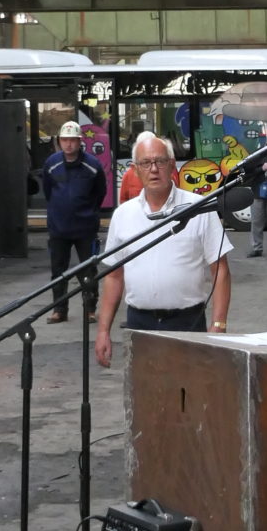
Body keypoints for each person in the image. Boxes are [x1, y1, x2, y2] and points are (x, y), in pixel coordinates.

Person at [95, 134, 231, 367]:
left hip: (187, 322)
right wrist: (103, 330)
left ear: (172, 165)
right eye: (145, 163)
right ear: (135, 169)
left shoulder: (198, 208)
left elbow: (221, 270)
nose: (153, 169)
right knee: (144, 389)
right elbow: (114, 276)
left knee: (190, 387)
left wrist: (218, 325)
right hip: (139, 323)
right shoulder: (123, 214)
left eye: (160, 161)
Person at [41, 120, 105, 324]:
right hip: (58, 228)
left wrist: (89, 212)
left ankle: (90, 309)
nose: (68, 144)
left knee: (89, 271)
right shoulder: (51, 163)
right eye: (65, 140)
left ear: (80, 141)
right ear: (59, 141)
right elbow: (48, 190)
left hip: (85, 228)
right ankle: (59, 310)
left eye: (73, 140)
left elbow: (100, 193)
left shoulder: (93, 165)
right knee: (58, 271)